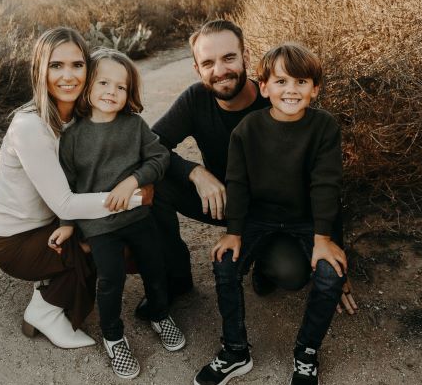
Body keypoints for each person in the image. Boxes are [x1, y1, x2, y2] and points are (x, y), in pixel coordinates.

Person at [138, 20, 357, 319]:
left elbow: (324, 184)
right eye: (208, 63)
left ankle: (264, 263)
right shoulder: (195, 99)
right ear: (197, 69)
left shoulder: (280, 102)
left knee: (291, 274)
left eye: (229, 58)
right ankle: (176, 279)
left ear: (245, 57)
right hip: (226, 201)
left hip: (277, 213)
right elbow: (151, 145)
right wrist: (194, 171)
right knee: (154, 182)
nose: (220, 71)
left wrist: (335, 258)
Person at [194, 43, 345, 385]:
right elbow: (238, 183)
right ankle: (235, 350)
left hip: (305, 220)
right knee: (225, 263)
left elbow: (327, 184)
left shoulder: (323, 127)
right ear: (264, 87)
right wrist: (233, 232)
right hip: (258, 218)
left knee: (330, 272)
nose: (291, 90)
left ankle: (306, 352)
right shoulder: (247, 130)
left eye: (301, 82)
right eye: (280, 82)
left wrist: (323, 239)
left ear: (315, 88)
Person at [0, 28, 149, 350]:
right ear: (39, 71)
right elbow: (65, 204)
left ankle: (56, 281)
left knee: (121, 234)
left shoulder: (78, 117)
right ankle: (44, 310)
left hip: (52, 226)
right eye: (56, 65)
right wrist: (133, 199)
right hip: (17, 240)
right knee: (112, 247)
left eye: (77, 65)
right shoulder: (29, 126)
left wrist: (142, 175)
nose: (68, 76)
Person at [56, 48, 185, 379]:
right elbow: (66, 186)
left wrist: (133, 180)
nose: (111, 92)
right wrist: (69, 224)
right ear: (87, 87)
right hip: (98, 226)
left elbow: (159, 158)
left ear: (130, 93)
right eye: (103, 83)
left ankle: (159, 313)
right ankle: (113, 336)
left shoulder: (134, 125)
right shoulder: (72, 137)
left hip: (138, 218)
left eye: (121, 87)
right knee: (110, 278)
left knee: (156, 266)